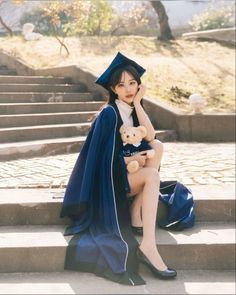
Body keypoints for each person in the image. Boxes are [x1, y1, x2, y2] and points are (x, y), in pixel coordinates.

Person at [60, 52, 195, 286]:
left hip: (127, 176)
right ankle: (148, 246)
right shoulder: (109, 114)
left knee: (158, 145)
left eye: (132, 83)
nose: (128, 88)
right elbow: (99, 159)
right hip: (108, 182)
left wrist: (139, 105)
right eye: (121, 85)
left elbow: (150, 136)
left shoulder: (131, 110)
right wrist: (129, 159)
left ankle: (136, 213)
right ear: (113, 89)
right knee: (152, 174)